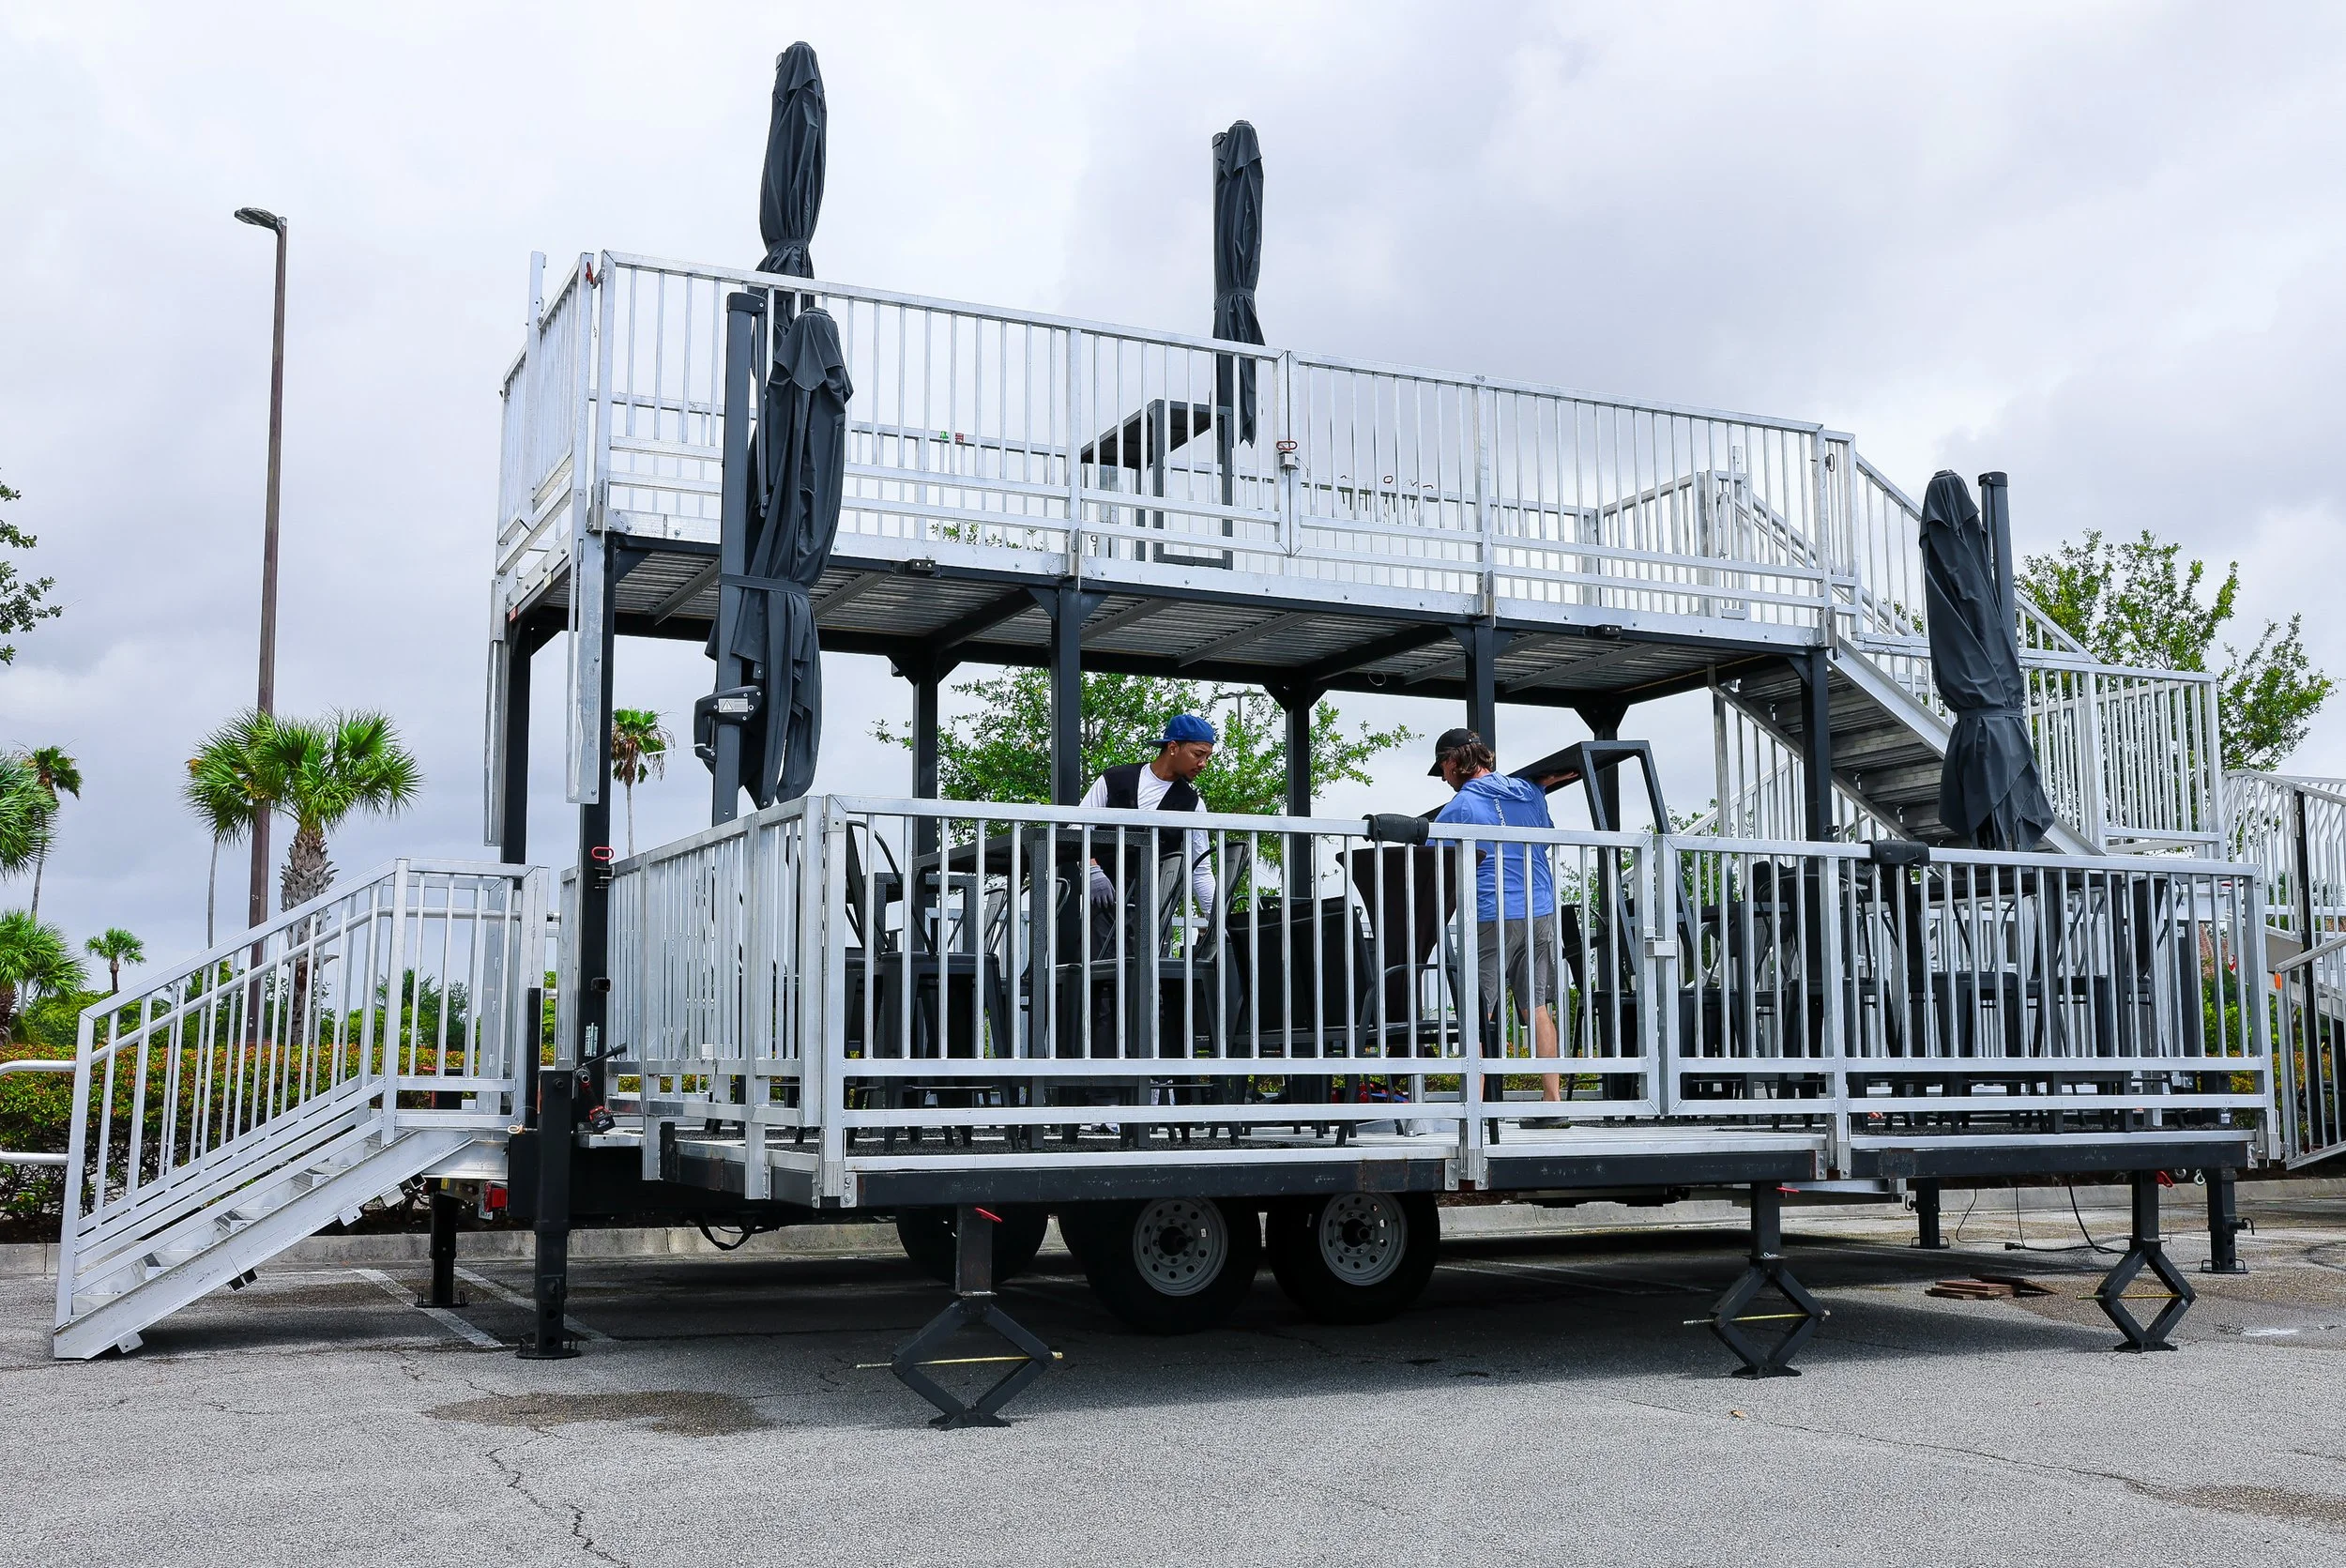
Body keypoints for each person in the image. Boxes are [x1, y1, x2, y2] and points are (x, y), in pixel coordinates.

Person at [1430, 728, 1562, 1108]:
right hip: (1539, 909)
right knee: (1536, 1006)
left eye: (1442, 768)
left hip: (1492, 913)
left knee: (1478, 1010)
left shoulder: (1460, 806)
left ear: (1454, 761)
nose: (1443, 778)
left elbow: (1430, 858)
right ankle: (1552, 1101)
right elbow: (1544, 836)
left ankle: (1473, 1107)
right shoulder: (1529, 792)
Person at [1082, 713, 1218, 917]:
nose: (1203, 763)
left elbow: (1200, 870)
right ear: (1173, 747)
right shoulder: (1114, 780)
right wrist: (1092, 871)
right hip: (1102, 908)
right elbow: (1077, 828)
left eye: (1207, 757)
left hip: (1154, 914)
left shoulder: (1193, 804)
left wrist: (1216, 920)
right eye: (1198, 754)